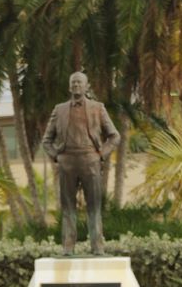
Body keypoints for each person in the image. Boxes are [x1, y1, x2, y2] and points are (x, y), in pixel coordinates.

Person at [40, 71, 122, 255]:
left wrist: (101, 155)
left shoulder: (97, 107)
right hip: (67, 162)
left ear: (86, 86)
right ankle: (68, 248)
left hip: (90, 160)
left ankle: (97, 247)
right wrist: (56, 156)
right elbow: (46, 140)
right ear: (70, 87)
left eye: (80, 83)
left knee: (94, 207)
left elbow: (114, 136)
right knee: (68, 207)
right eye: (73, 83)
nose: (76, 85)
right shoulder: (59, 109)